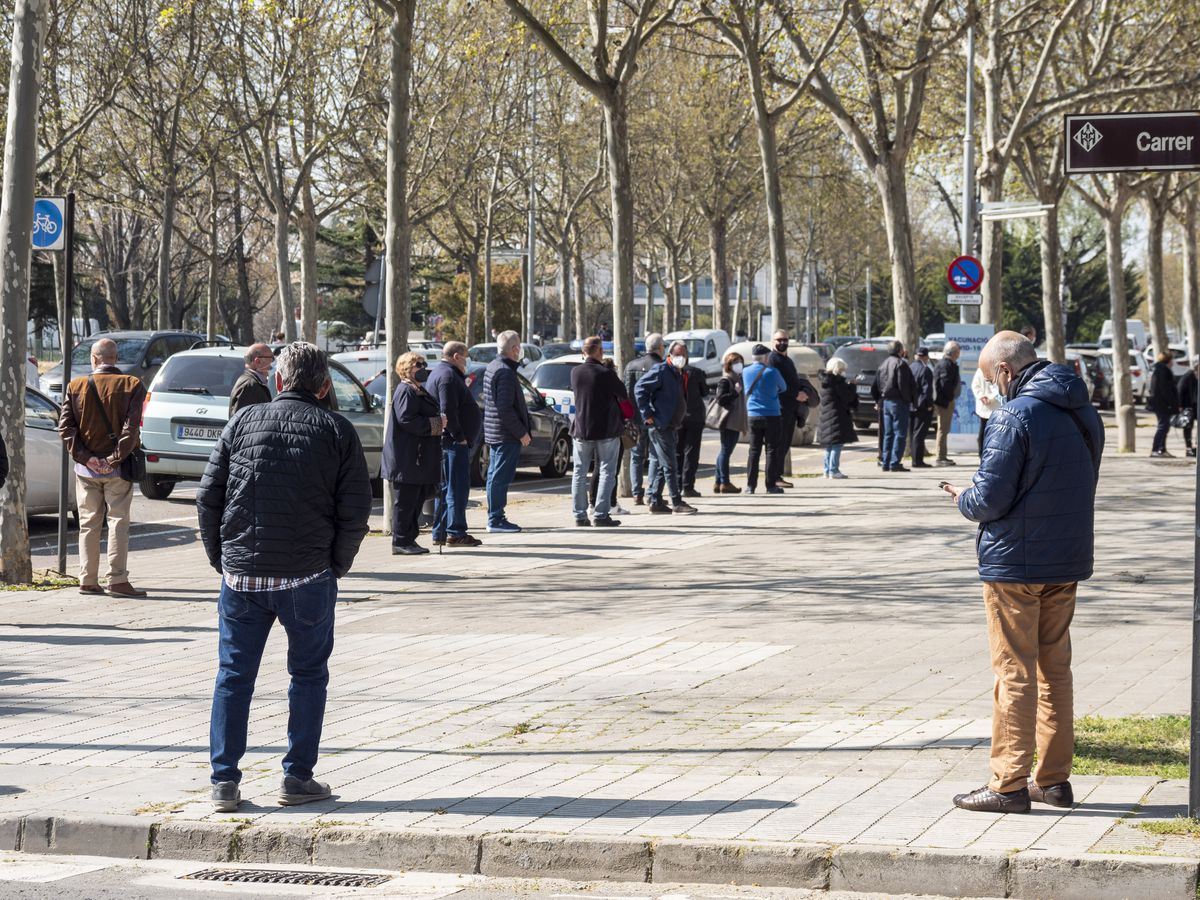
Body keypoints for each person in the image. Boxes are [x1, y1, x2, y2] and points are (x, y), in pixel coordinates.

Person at [197, 341, 371, 812]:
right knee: (308, 675)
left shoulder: (241, 422)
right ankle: (296, 777)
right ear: (323, 385)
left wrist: (223, 560)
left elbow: (207, 498)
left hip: (243, 579)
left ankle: (224, 782)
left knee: (233, 676)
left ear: (278, 380)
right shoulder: (337, 429)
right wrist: (335, 565)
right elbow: (355, 511)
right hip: (307, 577)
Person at [941, 331, 1102, 814]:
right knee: (1055, 670)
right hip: (1066, 559)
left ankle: (1008, 783)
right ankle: (1053, 780)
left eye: (992, 378)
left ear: (1006, 372)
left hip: (1015, 565)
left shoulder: (1013, 415)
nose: (992, 387)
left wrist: (961, 497)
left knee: (1013, 673)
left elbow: (988, 498)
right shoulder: (1083, 410)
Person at [57, 337, 148, 598]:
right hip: (118, 469)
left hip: (86, 470)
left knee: (88, 524)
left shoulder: (76, 385)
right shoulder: (131, 384)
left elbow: (66, 428)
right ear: (115, 359)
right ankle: (117, 580)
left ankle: (87, 579)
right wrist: (114, 459)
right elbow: (131, 428)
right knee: (118, 522)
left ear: (94, 359)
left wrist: (86, 458)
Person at [382, 352, 445, 554]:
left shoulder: (417, 390)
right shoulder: (405, 391)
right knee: (406, 502)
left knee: (417, 501)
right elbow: (406, 419)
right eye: (418, 364)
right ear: (406, 369)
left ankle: (409, 539)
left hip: (419, 458)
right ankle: (400, 541)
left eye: (423, 363)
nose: (423, 367)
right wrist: (436, 424)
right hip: (408, 458)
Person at [426, 341, 482, 547]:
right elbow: (447, 410)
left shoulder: (441, 373)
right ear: (456, 356)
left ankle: (440, 532)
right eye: (466, 357)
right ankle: (456, 531)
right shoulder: (448, 376)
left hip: (449, 441)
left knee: (447, 488)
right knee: (456, 488)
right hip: (452, 443)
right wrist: (459, 436)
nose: (467, 361)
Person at [570, 336, 628, 527]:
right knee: (606, 470)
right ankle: (601, 514)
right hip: (605, 430)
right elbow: (623, 396)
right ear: (600, 351)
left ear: (583, 352)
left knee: (579, 473)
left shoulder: (575, 372)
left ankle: (579, 515)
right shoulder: (606, 373)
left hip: (580, 429)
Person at [634, 340, 697, 514]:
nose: (681, 357)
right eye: (678, 354)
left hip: (671, 424)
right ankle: (676, 501)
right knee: (670, 464)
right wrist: (647, 415)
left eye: (684, 354)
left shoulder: (678, 372)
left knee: (663, 465)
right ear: (669, 354)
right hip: (660, 424)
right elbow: (640, 389)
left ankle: (655, 501)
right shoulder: (661, 370)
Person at [483, 331, 532, 533]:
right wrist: (521, 432)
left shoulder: (494, 366)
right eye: (518, 346)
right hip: (505, 434)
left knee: (495, 476)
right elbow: (504, 408)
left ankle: (495, 517)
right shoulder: (504, 371)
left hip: (497, 432)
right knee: (500, 477)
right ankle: (495, 519)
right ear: (514, 349)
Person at [767, 331, 813, 488]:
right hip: (780, 408)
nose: (782, 342)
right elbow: (777, 384)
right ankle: (774, 477)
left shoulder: (787, 360)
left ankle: (777, 475)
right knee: (778, 444)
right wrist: (795, 394)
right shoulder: (773, 359)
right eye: (779, 340)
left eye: (785, 340)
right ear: (772, 341)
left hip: (790, 409)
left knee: (785, 443)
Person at [624, 334, 664, 505]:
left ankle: (636, 493)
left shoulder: (631, 366)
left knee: (636, 456)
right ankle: (651, 492)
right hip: (654, 417)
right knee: (655, 456)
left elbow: (626, 393)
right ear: (660, 348)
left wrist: (628, 417)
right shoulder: (661, 366)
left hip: (636, 418)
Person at [742, 344, 788, 494]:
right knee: (771, 450)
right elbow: (784, 387)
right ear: (765, 358)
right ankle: (770, 485)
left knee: (754, 451)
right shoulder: (772, 372)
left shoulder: (745, 371)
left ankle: (750, 486)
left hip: (753, 414)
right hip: (772, 414)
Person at [674, 345, 709, 498]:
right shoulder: (696, 372)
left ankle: (680, 485)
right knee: (690, 453)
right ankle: (687, 486)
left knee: (678, 452)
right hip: (691, 417)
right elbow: (705, 392)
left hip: (680, 418)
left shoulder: (670, 373)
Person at [877, 340, 916, 472]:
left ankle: (885, 461)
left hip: (886, 401)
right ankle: (894, 462)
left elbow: (878, 383)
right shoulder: (900, 364)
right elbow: (903, 385)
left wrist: (880, 398)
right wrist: (908, 400)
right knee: (900, 433)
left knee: (888, 434)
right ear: (900, 350)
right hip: (898, 402)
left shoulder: (883, 364)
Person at [817, 356, 857, 479]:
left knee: (829, 445)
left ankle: (826, 470)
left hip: (826, 416)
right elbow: (848, 397)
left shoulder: (825, 381)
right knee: (837, 445)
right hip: (836, 416)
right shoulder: (837, 382)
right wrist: (852, 386)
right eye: (842, 370)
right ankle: (833, 470)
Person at [712, 351, 747, 493]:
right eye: (735, 362)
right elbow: (720, 399)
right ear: (729, 365)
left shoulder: (738, 378)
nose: (739, 365)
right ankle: (725, 482)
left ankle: (718, 481)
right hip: (728, 420)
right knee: (726, 451)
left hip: (734, 419)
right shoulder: (726, 380)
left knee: (725, 451)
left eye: (740, 362)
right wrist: (735, 392)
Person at [933, 341, 962, 466]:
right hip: (944, 402)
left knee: (944, 429)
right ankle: (940, 457)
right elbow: (945, 384)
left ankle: (943, 455)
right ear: (953, 352)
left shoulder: (948, 364)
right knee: (942, 429)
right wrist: (949, 397)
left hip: (945, 401)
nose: (959, 354)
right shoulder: (946, 365)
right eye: (958, 351)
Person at [1148, 350, 1180, 458]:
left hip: (1159, 402)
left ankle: (1161, 448)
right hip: (1162, 403)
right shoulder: (1163, 371)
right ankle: (1156, 449)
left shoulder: (1159, 369)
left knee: (1164, 426)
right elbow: (1165, 389)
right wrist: (1172, 403)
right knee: (1163, 426)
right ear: (1169, 360)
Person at [228, 343, 274, 416]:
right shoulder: (249, 386)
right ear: (258, 361)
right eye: (271, 358)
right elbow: (242, 421)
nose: (273, 362)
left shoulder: (255, 382)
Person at [908, 346, 935, 468]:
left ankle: (915, 458)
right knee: (919, 433)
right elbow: (927, 390)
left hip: (910, 405)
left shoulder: (910, 367)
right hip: (922, 406)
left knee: (913, 432)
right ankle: (917, 460)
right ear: (926, 357)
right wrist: (929, 404)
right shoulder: (925, 370)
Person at [971, 365, 1002, 454]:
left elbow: (975, 386)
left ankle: (982, 454)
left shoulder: (980, 370)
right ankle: (987, 454)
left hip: (986, 407)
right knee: (992, 433)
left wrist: (982, 397)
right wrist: (988, 398)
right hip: (993, 407)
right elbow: (1000, 387)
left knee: (984, 432)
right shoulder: (997, 371)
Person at [1179, 358, 1198, 458]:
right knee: (1188, 427)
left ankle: (1196, 445)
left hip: (1196, 405)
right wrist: (1180, 405)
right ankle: (1189, 448)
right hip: (1189, 406)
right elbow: (1180, 390)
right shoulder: (1188, 376)